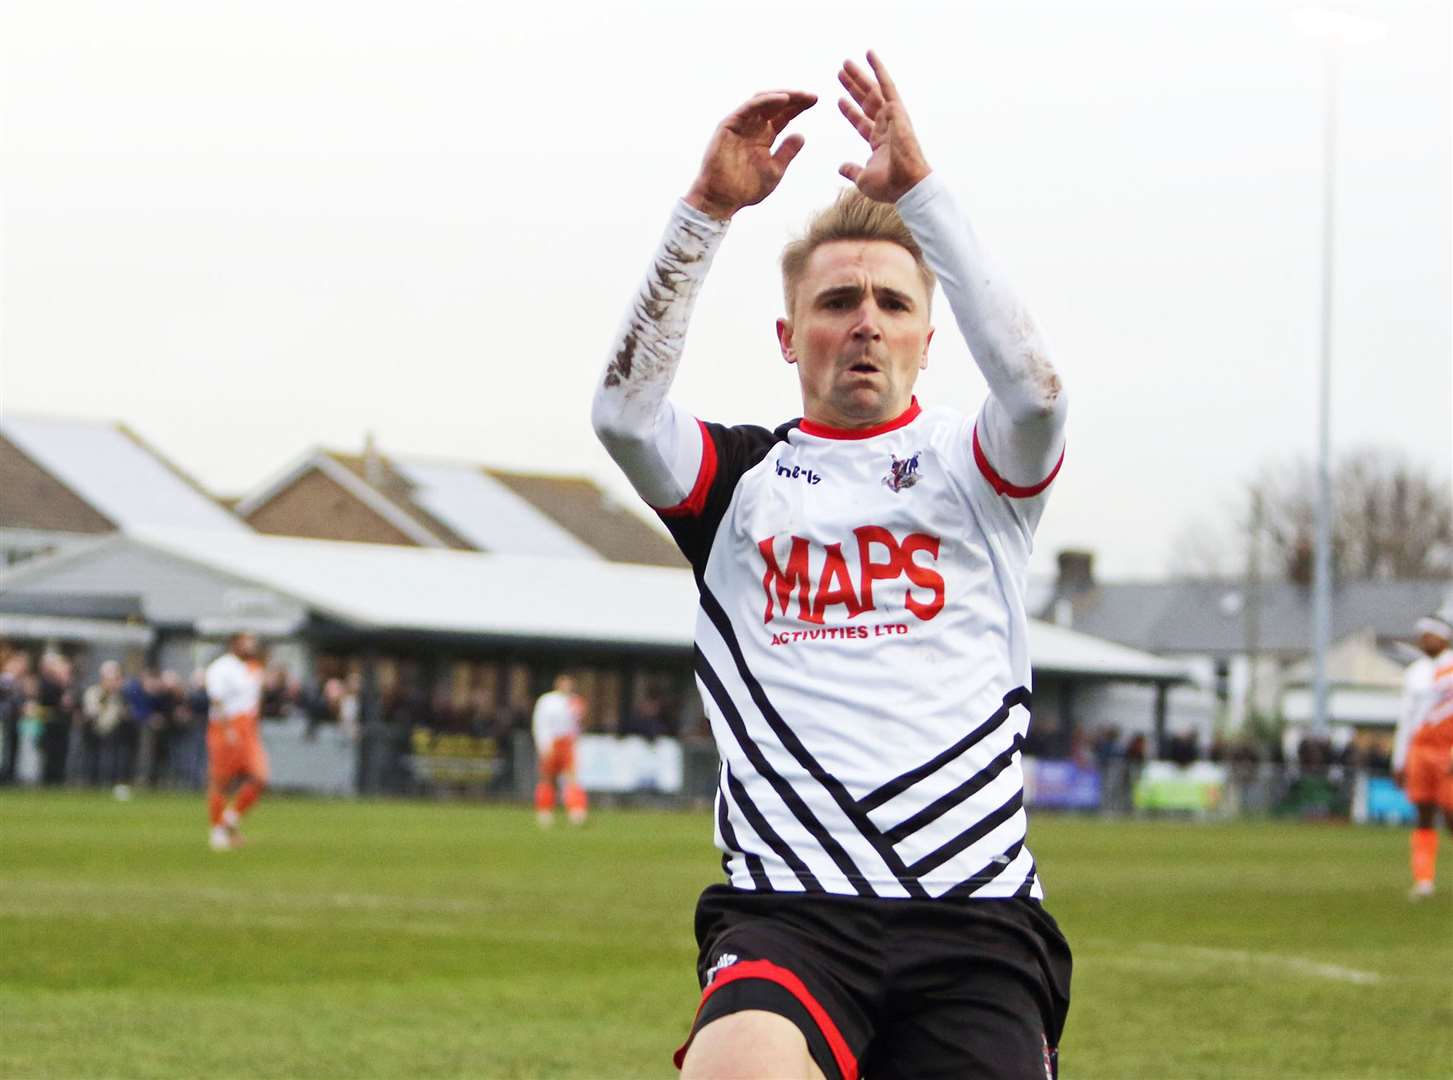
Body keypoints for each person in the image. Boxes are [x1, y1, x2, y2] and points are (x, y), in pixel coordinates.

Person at [592, 51, 1071, 1080]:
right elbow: (622, 414)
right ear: (787, 335)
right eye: (838, 300)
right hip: (789, 915)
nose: (864, 321)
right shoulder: (734, 486)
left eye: (893, 304)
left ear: (927, 340)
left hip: (974, 920)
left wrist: (921, 195)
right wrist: (705, 211)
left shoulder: (976, 472)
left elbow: (1037, 396)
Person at [1392, 614, 1453, 899]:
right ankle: (1424, 879)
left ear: (1443, 637)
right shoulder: (1415, 672)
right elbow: (1406, 720)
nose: (1424, 640)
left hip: (1448, 750)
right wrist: (1399, 760)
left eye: (1430, 634)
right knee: (1423, 812)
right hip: (1420, 749)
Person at [204, 633, 269, 851]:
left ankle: (229, 820)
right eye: (246, 641)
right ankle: (218, 831)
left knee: (260, 777)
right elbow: (217, 700)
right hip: (227, 727)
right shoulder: (221, 668)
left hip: (248, 728)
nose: (251, 645)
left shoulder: (253, 667)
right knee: (222, 781)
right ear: (234, 644)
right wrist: (227, 729)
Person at [531, 673, 588, 826]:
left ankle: (576, 810)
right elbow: (540, 723)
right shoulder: (547, 701)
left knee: (572, 778)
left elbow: (578, 725)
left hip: (567, 743)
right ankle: (545, 810)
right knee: (548, 777)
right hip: (551, 742)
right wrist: (543, 743)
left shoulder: (575, 701)